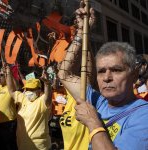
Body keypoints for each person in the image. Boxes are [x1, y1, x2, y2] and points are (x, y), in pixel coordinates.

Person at [58, 2, 148, 150]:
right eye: (101, 71)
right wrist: (81, 32)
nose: (106, 77)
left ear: (134, 75)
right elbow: (64, 74)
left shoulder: (143, 115)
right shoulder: (98, 102)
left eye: (117, 70)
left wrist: (93, 122)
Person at [6, 65, 52, 150]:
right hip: (22, 145)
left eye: (32, 89)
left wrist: (47, 83)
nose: (29, 91)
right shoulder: (22, 98)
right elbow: (11, 90)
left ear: (39, 90)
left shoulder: (42, 101)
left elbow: (48, 96)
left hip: (40, 147)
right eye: (27, 89)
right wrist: (8, 72)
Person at [0, 67, 18, 150]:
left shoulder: (10, 89)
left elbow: (16, 86)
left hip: (9, 123)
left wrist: (9, 73)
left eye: (1, 75)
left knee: (10, 146)